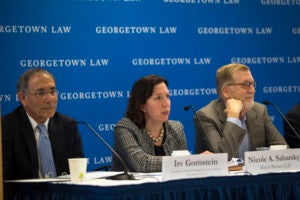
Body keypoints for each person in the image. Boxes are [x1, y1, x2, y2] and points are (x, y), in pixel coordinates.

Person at [2, 68, 84, 180]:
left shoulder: (68, 126)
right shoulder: (6, 128)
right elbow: (5, 181)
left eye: (52, 92)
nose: (49, 99)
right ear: (23, 98)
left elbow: (78, 175)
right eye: (40, 93)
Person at [194, 63, 287, 160]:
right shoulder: (206, 116)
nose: (252, 90)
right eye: (246, 84)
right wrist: (233, 118)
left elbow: (283, 151)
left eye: (253, 84)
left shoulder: (259, 111)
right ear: (226, 92)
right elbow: (221, 159)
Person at [111, 74, 188, 172]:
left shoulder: (176, 128)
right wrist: (181, 162)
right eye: (158, 98)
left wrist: (198, 161)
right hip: (133, 187)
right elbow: (142, 164)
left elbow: (184, 170)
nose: (166, 103)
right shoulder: (125, 128)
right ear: (142, 106)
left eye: (167, 96)